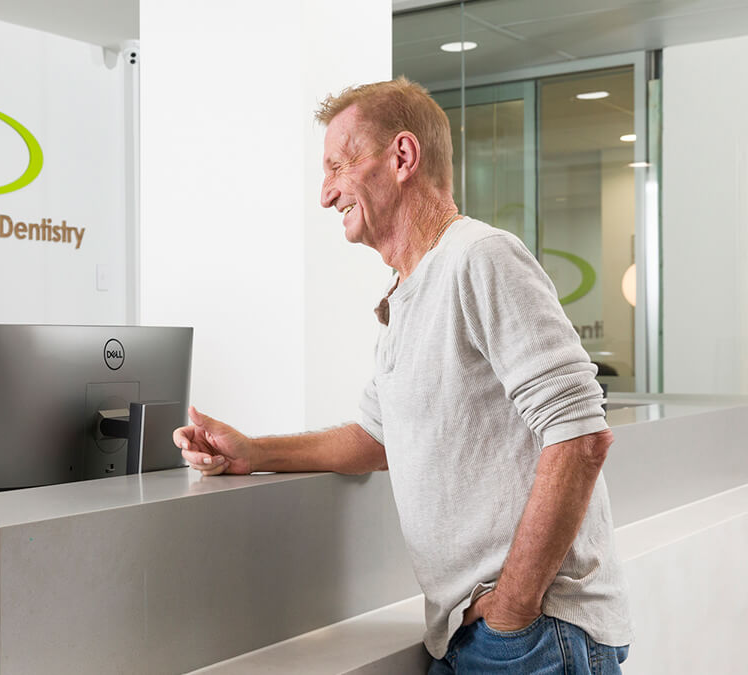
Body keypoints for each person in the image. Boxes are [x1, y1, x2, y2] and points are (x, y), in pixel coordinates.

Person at [174, 78, 631, 673]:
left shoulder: (480, 258)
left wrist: (512, 610)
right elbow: (375, 437)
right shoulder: (410, 295)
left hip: (532, 635)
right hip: (481, 635)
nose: (325, 193)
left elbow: (580, 437)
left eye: (340, 164)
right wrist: (253, 451)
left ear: (403, 157)